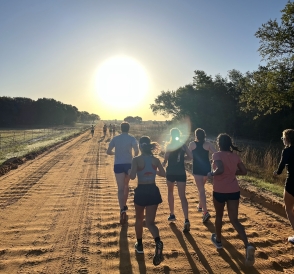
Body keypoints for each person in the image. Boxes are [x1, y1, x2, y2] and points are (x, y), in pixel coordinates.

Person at [208, 133, 255, 266]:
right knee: (234, 220)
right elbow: (244, 171)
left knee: (219, 216)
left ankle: (218, 240)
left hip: (219, 190)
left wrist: (212, 173)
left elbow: (220, 169)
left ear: (219, 143)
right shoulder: (235, 156)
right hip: (234, 190)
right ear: (229, 144)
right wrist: (232, 173)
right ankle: (247, 245)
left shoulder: (216, 155)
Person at [128, 136, 165, 266]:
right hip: (153, 190)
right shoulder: (156, 159)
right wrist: (153, 170)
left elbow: (132, 177)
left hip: (141, 191)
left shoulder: (136, 160)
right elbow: (163, 173)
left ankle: (139, 245)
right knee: (150, 223)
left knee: (139, 219)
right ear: (149, 146)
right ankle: (158, 241)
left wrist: (129, 170)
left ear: (140, 147)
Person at [107, 122, 139, 224]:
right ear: (128, 129)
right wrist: (133, 157)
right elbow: (137, 151)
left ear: (121, 128)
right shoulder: (132, 138)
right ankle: (124, 205)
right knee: (126, 186)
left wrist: (116, 153)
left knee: (120, 188)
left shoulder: (115, 139)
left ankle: (122, 208)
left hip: (118, 165)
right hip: (128, 164)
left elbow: (108, 151)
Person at [163, 128, 193, 232]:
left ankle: (172, 214)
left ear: (171, 135)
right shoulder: (183, 145)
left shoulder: (169, 145)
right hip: (181, 172)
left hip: (171, 172)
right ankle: (186, 219)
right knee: (182, 196)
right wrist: (182, 159)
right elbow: (191, 156)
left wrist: (164, 162)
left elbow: (166, 158)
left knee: (170, 192)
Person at [188, 128, 217, 223]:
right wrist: (213, 161)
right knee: (202, 188)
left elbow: (190, 156)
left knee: (201, 190)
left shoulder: (192, 144)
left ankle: (205, 212)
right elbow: (216, 154)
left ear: (196, 135)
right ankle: (200, 206)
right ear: (204, 135)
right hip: (206, 169)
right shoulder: (208, 144)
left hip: (197, 169)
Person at [273, 129, 294, 244]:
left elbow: (281, 168)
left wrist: (276, 173)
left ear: (287, 139)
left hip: (292, 182)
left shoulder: (287, 151)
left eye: (283, 139)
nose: (283, 141)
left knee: (289, 209)